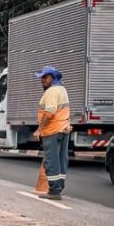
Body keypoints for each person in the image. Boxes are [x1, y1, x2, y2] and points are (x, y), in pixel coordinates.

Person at [34, 66, 71, 200]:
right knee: (61, 160)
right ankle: (59, 187)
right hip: (63, 129)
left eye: (44, 77)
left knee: (51, 160)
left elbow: (49, 112)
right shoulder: (62, 89)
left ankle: (54, 191)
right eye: (41, 77)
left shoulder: (51, 92)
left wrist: (40, 129)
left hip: (52, 130)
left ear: (52, 78)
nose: (42, 80)